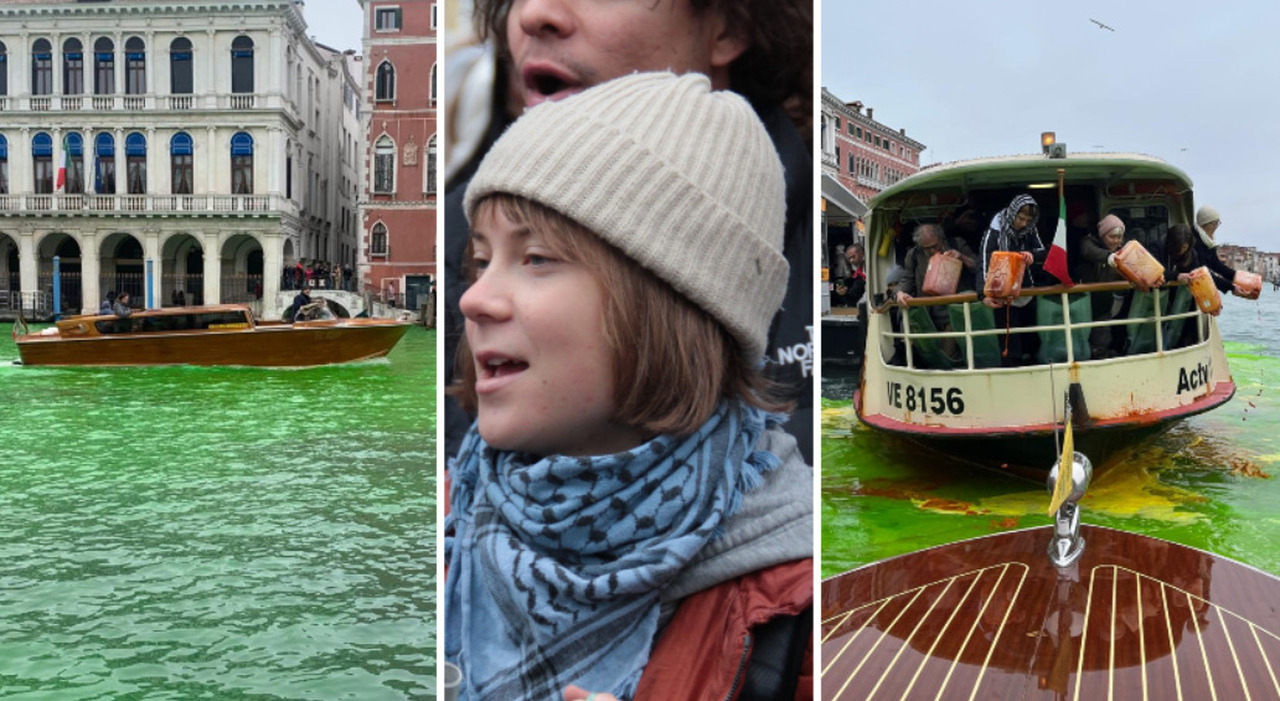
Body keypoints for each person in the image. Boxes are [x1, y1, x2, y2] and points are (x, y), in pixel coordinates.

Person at [445, 73, 812, 701]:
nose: (475, 298)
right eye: (481, 261)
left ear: (672, 304)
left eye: (535, 258)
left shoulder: (803, 607)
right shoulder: (447, 506)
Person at [444, 0, 815, 465]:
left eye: (538, 257)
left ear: (731, 25)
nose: (532, 14)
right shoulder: (450, 237)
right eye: (481, 263)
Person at [977, 194, 1048, 363]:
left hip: (1027, 293)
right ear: (1012, 213)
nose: (1023, 224)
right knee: (1010, 344)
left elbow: (1042, 252)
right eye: (1021, 218)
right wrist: (983, 295)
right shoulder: (993, 233)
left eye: (1027, 220)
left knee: (1032, 338)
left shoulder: (1030, 230)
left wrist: (1032, 255)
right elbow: (984, 262)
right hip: (1002, 295)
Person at [1077, 214, 1127, 358]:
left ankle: (1102, 352)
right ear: (1103, 235)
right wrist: (1109, 257)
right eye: (1112, 237)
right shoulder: (1088, 242)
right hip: (1086, 298)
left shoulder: (1122, 251)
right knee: (1086, 331)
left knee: (1104, 332)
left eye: (1119, 237)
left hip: (1108, 300)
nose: (1116, 241)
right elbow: (1088, 251)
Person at [1193, 206, 1248, 295]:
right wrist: (1232, 287)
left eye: (1218, 223)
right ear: (1205, 224)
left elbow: (1216, 265)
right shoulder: (1195, 242)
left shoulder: (1208, 241)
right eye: (1214, 223)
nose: (1216, 227)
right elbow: (1202, 274)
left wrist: (1236, 276)